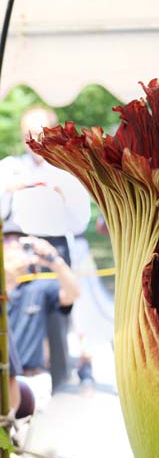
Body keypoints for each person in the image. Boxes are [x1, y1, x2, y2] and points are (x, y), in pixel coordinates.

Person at [0, 107, 91, 388]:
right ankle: (22, 370)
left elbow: (78, 221)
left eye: (40, 133)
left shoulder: (68, 168)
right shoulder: (10, 167)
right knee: (19, 307)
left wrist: (59, 193)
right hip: (19, 245)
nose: (34, 140)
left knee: (61, 305)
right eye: (28, 134)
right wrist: (12, 189)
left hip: (55, 247)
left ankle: (61, 371)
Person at [4, 234, 80, 409]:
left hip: (32, 379)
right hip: (4, 381)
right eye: (7, 242)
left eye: (19, 243)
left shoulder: (38, 288)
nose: (15, 248)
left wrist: (54, 261)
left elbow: (73, 294)